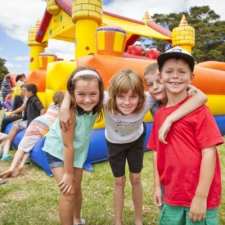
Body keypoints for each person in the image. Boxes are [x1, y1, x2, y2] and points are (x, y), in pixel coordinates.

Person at [60, 68, 207, 225]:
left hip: (135, 140)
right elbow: (76, 88)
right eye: (121, 97)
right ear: (114, 95)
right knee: (119, 181)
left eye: (133, 97)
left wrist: (181, 86)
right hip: (114, 143)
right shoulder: (105, 99)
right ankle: (118, 221)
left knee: (136, 178)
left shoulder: (148, 99)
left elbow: (200, 97)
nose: (127, 102)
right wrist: (64, 106)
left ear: (140, 96)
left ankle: (138, 220)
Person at [148, 46, 224, 225]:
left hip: (199, 196)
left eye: (182, 72)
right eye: (169, 71)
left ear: (191, 78)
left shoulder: (201, 112)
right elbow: (157, 152)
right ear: (160, 76)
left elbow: (209, 153)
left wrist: (200, 196)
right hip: (172, 193)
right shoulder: (159, 115)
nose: (175, 76)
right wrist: (158, 186)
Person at [43, 67, 104, 225]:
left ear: (100, 92)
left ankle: (77, 220)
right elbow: (67, 145)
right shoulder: (69, 112)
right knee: (68, 192)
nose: (88, 99)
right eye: (81, 94)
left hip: (77, 152)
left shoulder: (99, 102)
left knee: (77, 188)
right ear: (73, 93)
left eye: (93, 94)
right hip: (59, 150)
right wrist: (68, 174)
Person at [0, 91, 64, 178]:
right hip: (46, 126)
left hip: (38, 122)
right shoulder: (64, 108)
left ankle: (12, 167)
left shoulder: (52, 104)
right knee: (32, 144)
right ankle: (21, 165)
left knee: (22, 146)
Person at [0, 83, 45, 160]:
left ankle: (7, 151)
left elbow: (42, 109)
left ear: (30, 92)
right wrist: (12, 112)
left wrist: (39, 121)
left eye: (25, 91)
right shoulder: (29, 99)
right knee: (14, 126)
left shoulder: (35, 99)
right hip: (26, 120)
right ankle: (6, 151)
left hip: (31, 122)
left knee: (23, 135)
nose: (24, 92)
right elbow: (23, 108)